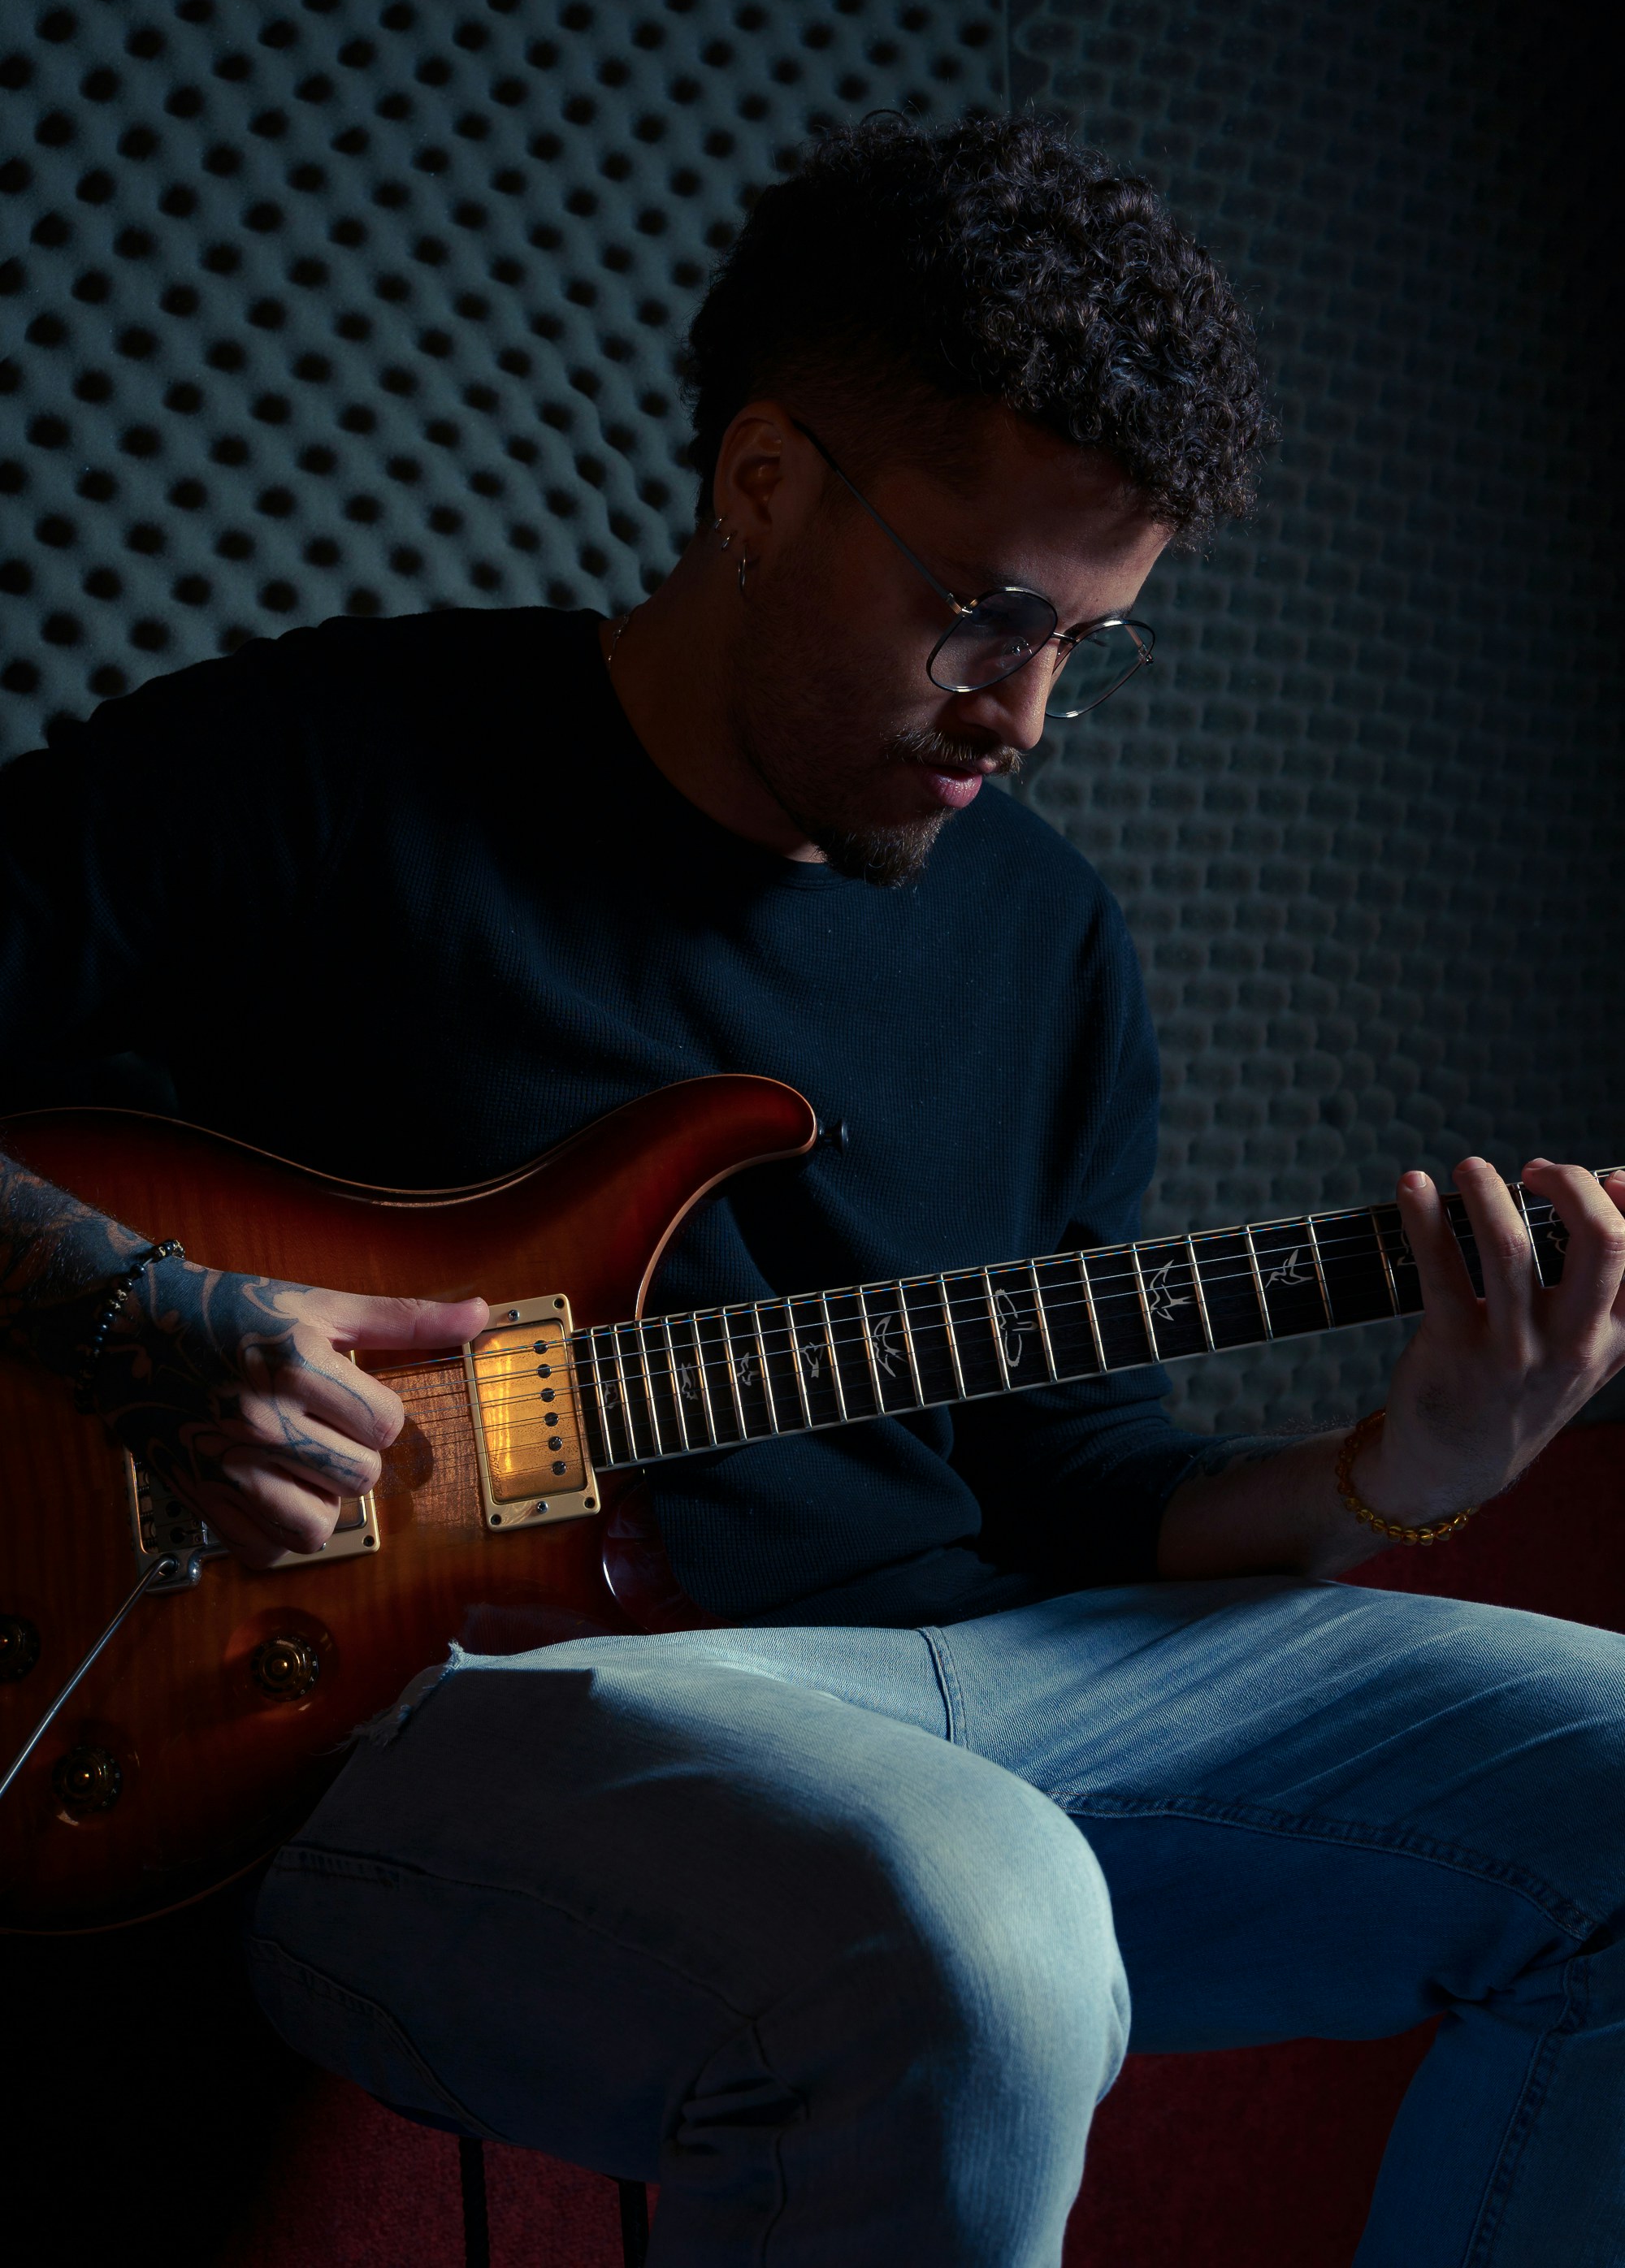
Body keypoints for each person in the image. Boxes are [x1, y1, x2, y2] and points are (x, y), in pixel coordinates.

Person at [2, 115, 1622, 2266]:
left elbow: (1074, 1468)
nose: (1027, 712)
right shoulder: (330, 762)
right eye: (986, 613)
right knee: (975, 1915)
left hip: (989, 1680)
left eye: (1090, 641)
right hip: (432, 1715)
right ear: (763, 485)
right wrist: (142, 1323)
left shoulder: (1042, 937)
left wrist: (1394, 1473)